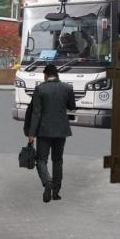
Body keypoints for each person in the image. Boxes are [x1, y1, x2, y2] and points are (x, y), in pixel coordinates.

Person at [25, 64, 77, 203]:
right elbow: (72, 107)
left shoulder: (40, 89)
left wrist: (31, 134)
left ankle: (47, 182)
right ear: (57, 74)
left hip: (44, 131)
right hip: (61, 130)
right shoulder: (67, 88)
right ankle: (56, 192)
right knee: (58, 160)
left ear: (46, 75)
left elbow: (36, 113)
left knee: (41, 160)